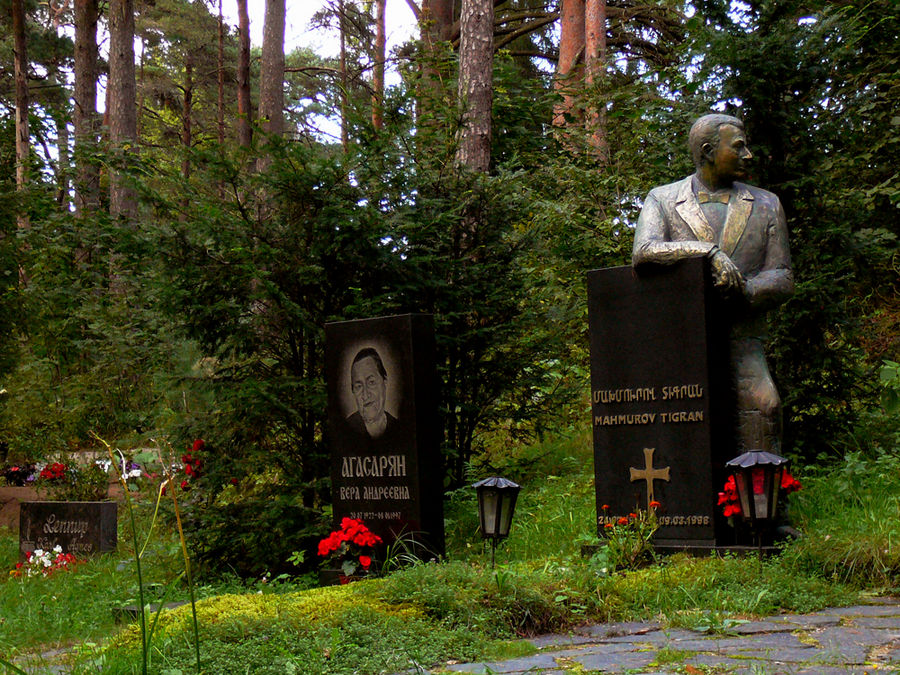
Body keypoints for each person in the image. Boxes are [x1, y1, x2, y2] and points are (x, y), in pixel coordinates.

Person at [632, 113, 794, 454]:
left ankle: (761, 506)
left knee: (766, 406)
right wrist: (708, 252)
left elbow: (782, 277)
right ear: (707, 151)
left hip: (742, 339)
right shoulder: (662, 199)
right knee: (678, 423)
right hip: (681, 343)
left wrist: (745, 290)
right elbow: (644, 252)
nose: (748, 154)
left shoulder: (767, 203)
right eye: (738, 147)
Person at [346, 347, 399, 440]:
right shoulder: (344, 431)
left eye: (371, 382)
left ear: (385, 381)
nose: (365, 395)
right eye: (359, 386)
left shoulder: (401, 429)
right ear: (353, 391)